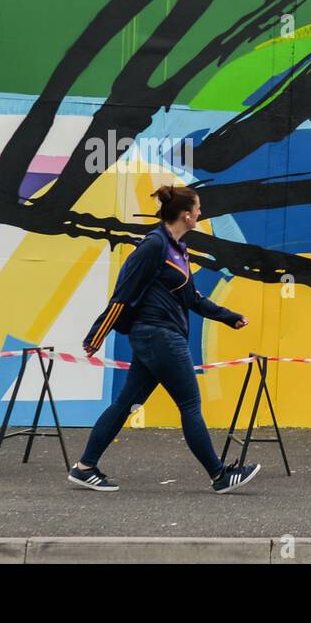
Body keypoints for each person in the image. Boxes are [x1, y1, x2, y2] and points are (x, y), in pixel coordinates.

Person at [67, 184, 262, 494]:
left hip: (156, 339)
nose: (200, 212)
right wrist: (97, 334)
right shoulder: (154, 245)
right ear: (186, 215)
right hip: (159, 337)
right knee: (190, 404)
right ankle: (219, 475)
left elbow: (193, 298)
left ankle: (84, 467)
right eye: (197, 208)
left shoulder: (178, 249)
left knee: (125, 403)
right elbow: (124, 292)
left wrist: (229, 316)